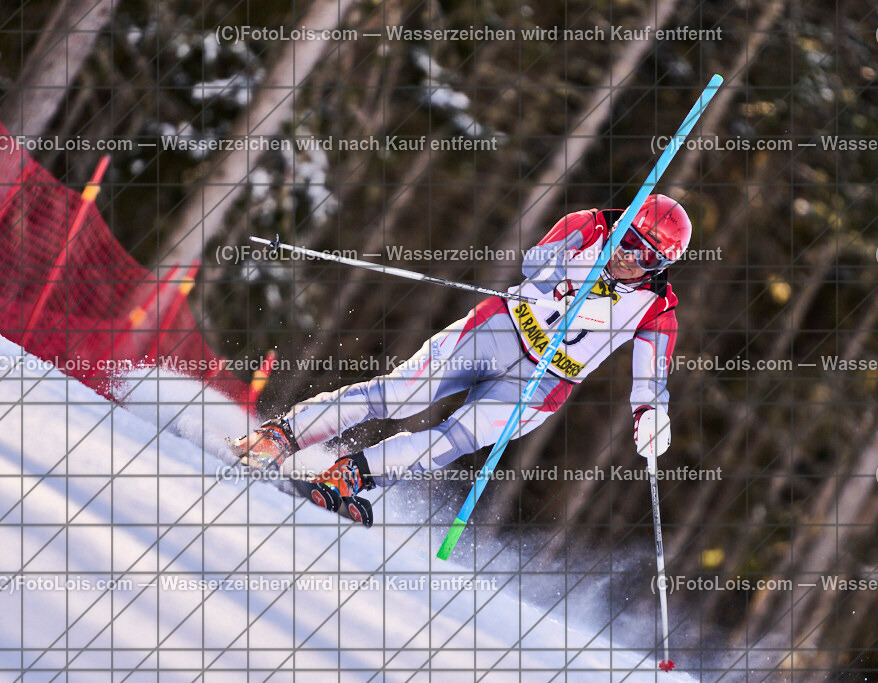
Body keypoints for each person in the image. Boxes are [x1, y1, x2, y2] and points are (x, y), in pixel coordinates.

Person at [231, 194, 690, 521]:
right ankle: (281, 436)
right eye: (629, 241)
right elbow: (535, 263)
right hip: (500, 328)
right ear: (623, 223)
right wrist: (572, 283)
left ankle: (350, 476)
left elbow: (651, 376)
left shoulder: (658, 306)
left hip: (542, 382)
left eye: (646, 259)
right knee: (403, 395)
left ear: (661, 267)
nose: (629, 259)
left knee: (452, 441)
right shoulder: (590, 225)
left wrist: (650, 416)